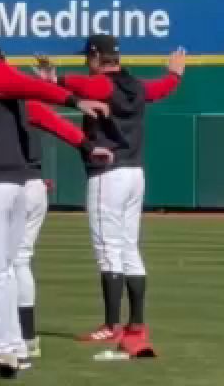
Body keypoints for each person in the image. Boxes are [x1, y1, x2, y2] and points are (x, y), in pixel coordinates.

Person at [0, 32, 110, 367]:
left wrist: (73, 101)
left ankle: (0, 346)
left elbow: (38, 91)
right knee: (5, 268)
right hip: (16, 184)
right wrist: (87, 143)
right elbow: (41, 108)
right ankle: (14, 342)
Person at [40, 35, 185, 345]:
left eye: (87, 57)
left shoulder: (102, 84)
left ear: (96, 58)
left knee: (108, 249)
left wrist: (56, 79)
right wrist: (175, 74)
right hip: (135, 172)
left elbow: (84, 87)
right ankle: (136, 324)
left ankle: (110, 324)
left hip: (109, 173)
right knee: (129, 247)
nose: (85, 62)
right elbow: (161, 89)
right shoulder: (137, 86)